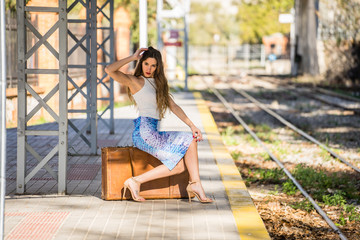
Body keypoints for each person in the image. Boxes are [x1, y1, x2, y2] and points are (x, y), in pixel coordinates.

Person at [105, 47, 213, 203]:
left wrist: (193, 126)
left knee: (189, 143)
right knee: (178, 163)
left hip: (152, 131)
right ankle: (136, 181)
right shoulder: (136, 81)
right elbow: (109, 70)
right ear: (141, 64)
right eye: (146, 64)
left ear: (158, 67)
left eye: (153, 65)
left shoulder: (158, 84)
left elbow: (174, 106)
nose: (149, 68)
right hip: (144, 132)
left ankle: (195, 184)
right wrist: (132, 57)